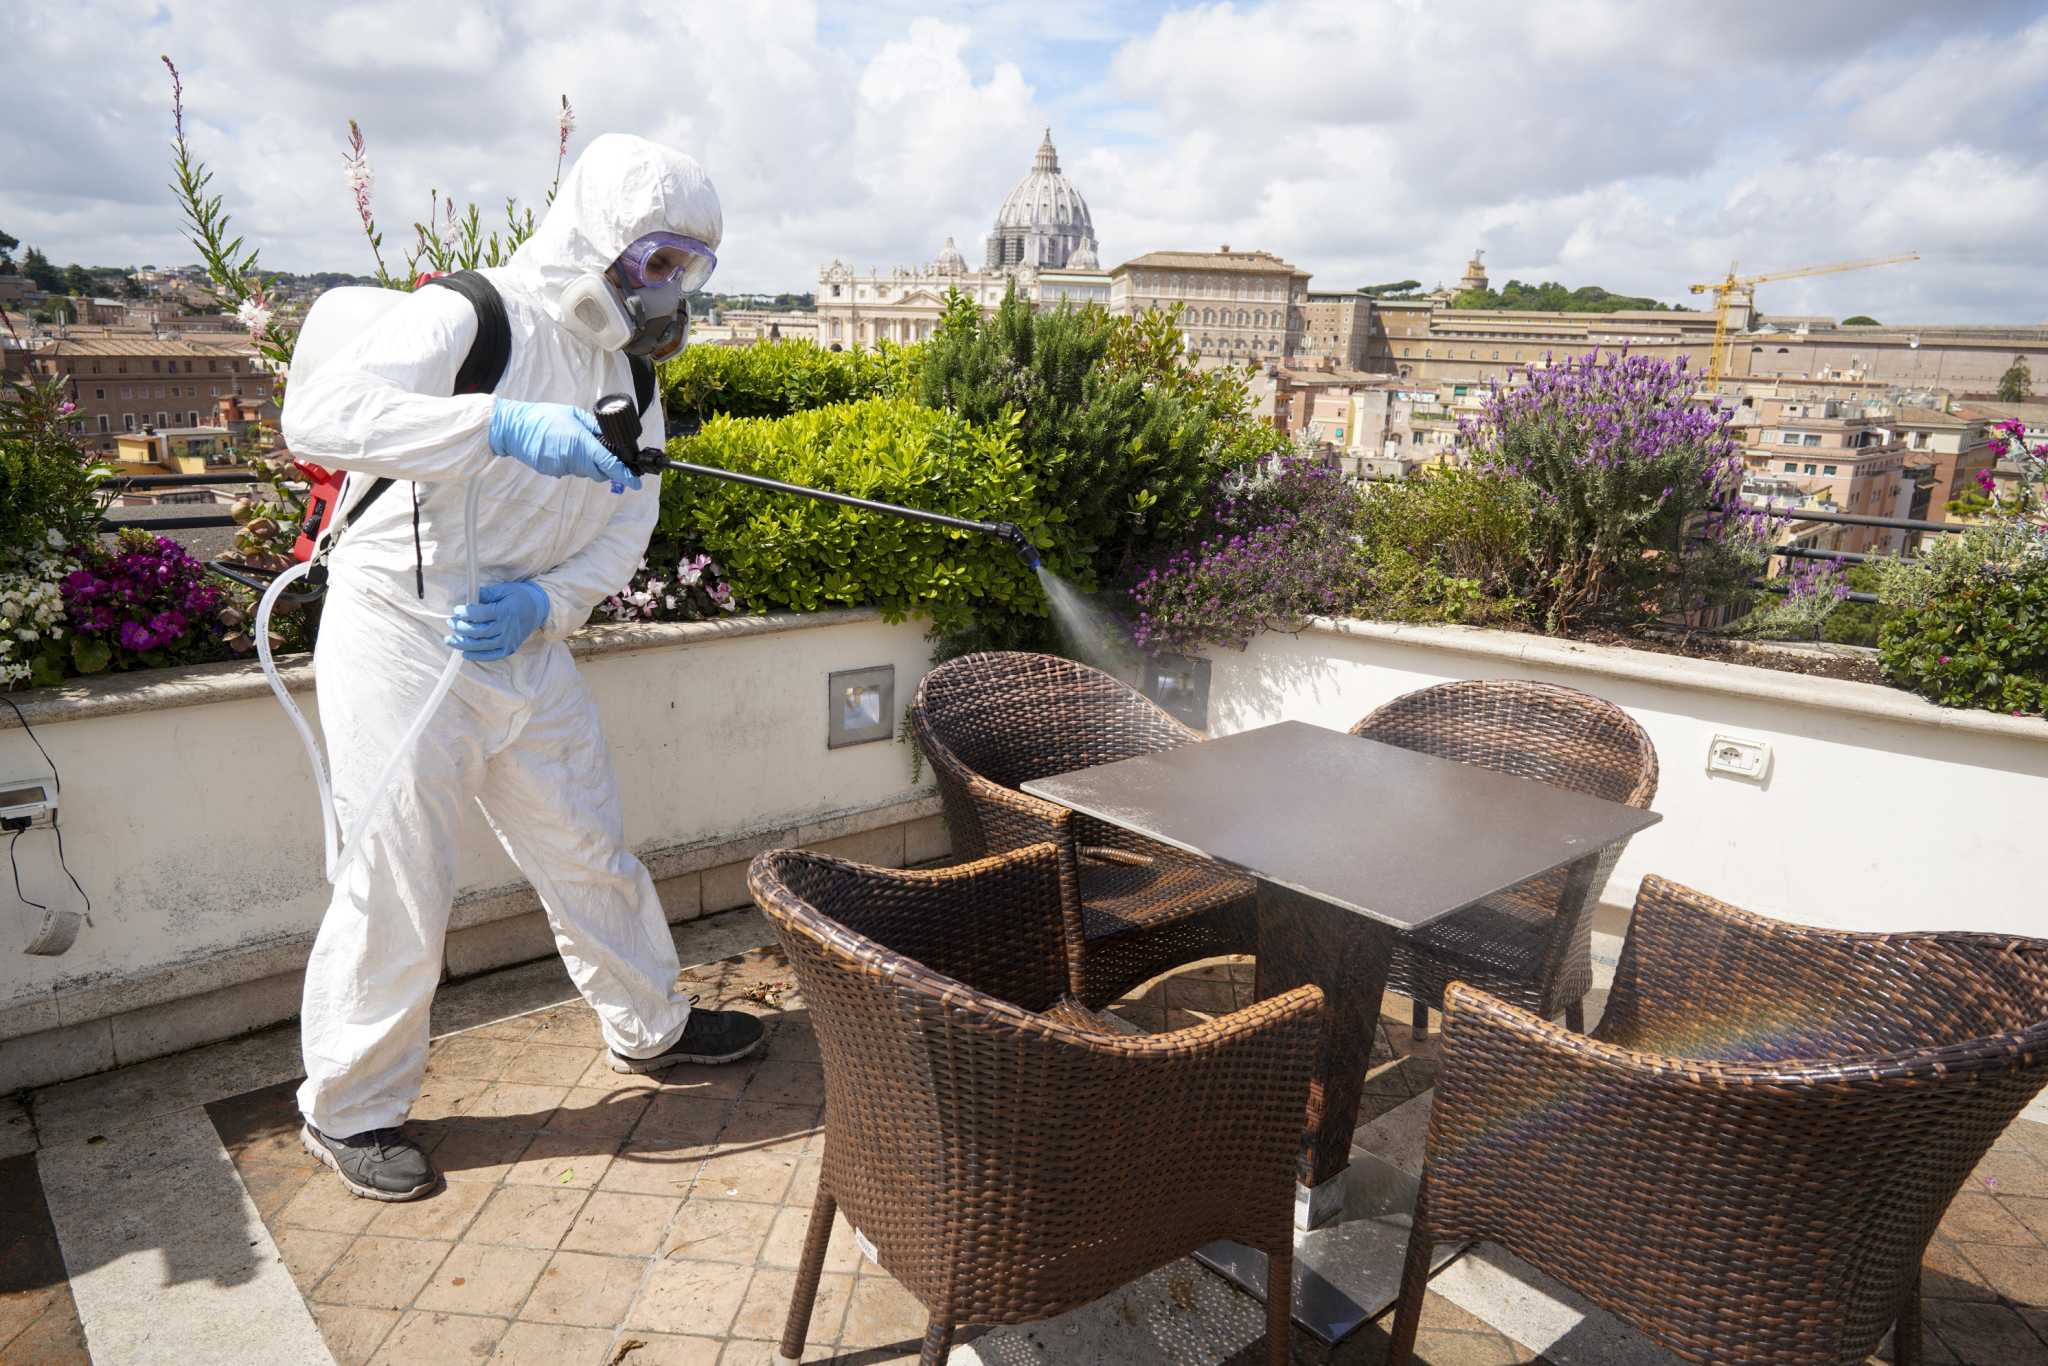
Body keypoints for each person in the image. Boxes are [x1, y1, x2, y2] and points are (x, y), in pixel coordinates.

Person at [280, 134, 762, 1202]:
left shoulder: (632, 365)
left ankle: (650, 1025)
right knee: (397, 874)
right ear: (598, 238)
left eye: (688, 266)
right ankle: (348, 1107)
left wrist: (550, 602)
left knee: (586, 841)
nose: (668, 287)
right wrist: (491, 423)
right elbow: (316, 416)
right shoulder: (472, 313)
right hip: (402, 631)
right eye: (656, 259)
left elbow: (632, 513)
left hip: (524, 634)